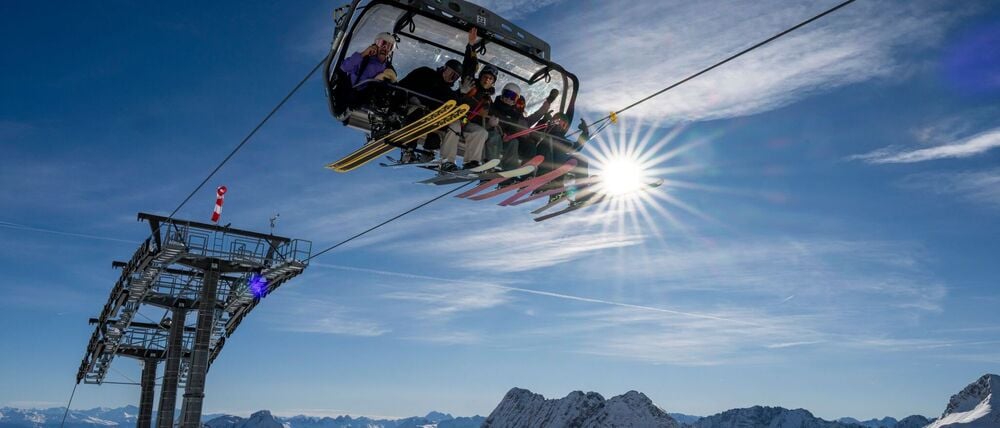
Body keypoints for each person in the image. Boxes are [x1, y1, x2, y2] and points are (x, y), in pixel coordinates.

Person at [438, 28, 494, 171]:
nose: (487, 80)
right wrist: (471, 45)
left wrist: (492, 123)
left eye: (491, 79)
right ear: (480, 77)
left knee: (481, 132)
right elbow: (470, 64)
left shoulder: (488, 100)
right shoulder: (471, 83)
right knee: (455, 126)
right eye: (485, 76)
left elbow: (489, 117)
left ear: (493, 82)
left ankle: (471, 162)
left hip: (466, 122)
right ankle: (447, 161)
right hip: (453, 116)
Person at [394, 59, 463, 162]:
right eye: (451, 73)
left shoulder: (448, 93)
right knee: (418, 114)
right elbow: (403, 85)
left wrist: (462, 92)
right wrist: (408, 99)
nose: (451, 77)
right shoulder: (425, 73)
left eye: (455, 77)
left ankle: (428, 152)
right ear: (444, 68)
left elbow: (456, 105)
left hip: (429, 119)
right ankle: (408, 150)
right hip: (411, 111)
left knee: (437, 130)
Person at [484, 85, 558, 170]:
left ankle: (521, 171)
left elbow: (537, 114)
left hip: (518, 141)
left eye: (522, 104)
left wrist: (548, 102)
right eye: (518, 104)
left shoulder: (523, 120)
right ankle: (493, 165)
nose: (520, 106)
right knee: (511, 141)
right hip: (504, 137)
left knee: (530, 146)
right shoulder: (507, 112)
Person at [332, 32, 398, 116]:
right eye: (382, 43)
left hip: (371, 96)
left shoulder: (388, 68)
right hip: (354, 95)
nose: (384, 48)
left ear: (390, 51)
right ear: (376, 45)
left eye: (389, 46)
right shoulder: (364, 59)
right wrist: (364, 53)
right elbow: (344, 67)